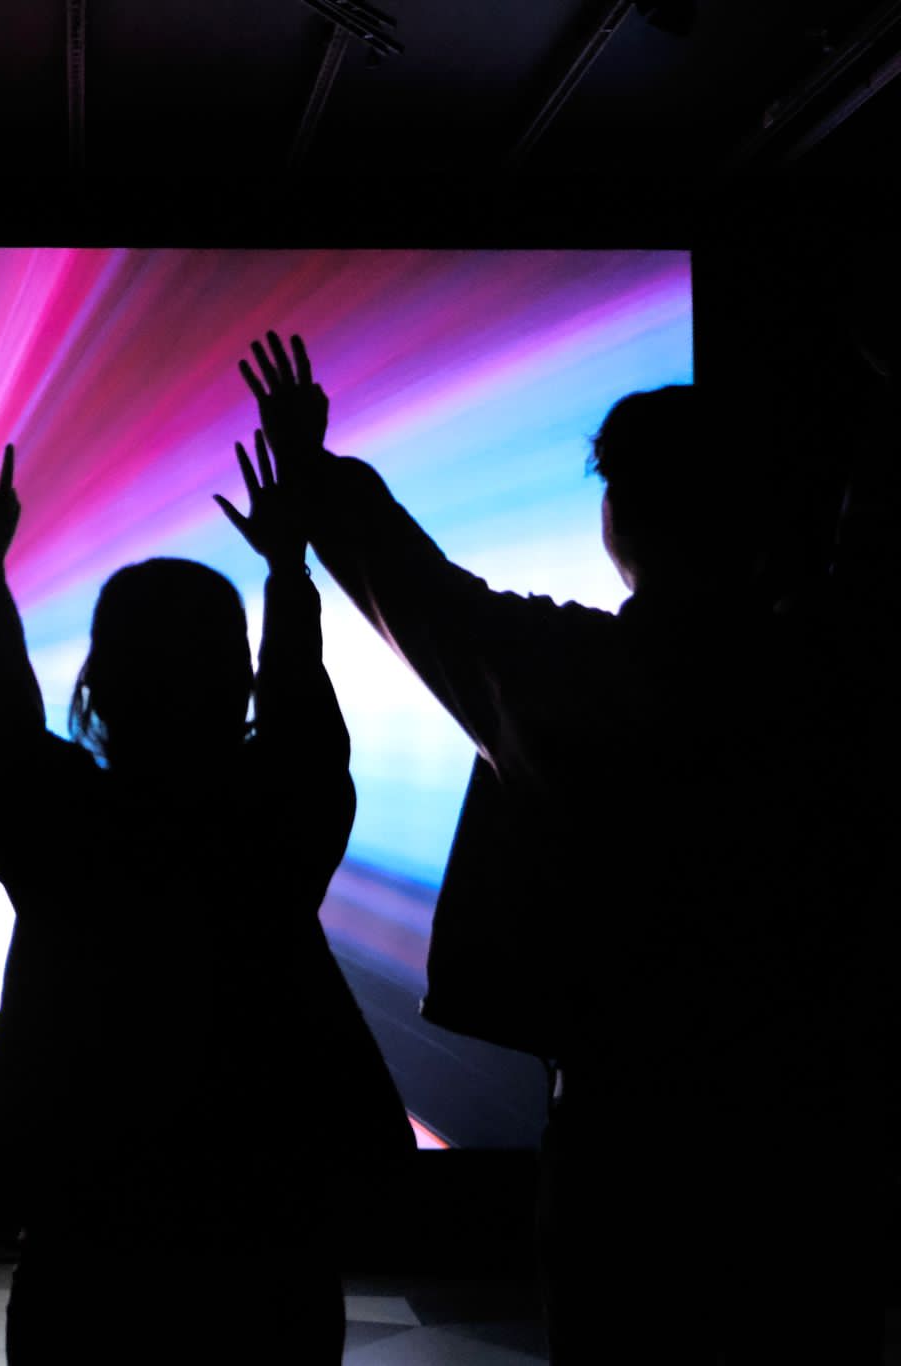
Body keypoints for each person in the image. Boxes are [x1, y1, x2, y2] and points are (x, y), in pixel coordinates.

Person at [241, 331, 895, 1362]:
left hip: (623, 1140)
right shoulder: (838, 681)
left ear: (623, 517)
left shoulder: (569, 681)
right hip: (816, 1137)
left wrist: (309, 475)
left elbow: (415, 590)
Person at [0, 431, 411, 1363]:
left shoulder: (61, 831)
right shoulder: (270, 829)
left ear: (100, 687)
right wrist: (287, 569)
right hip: (269, 1232)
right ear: (234, 678)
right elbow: (302, 729)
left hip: (84, 1239)